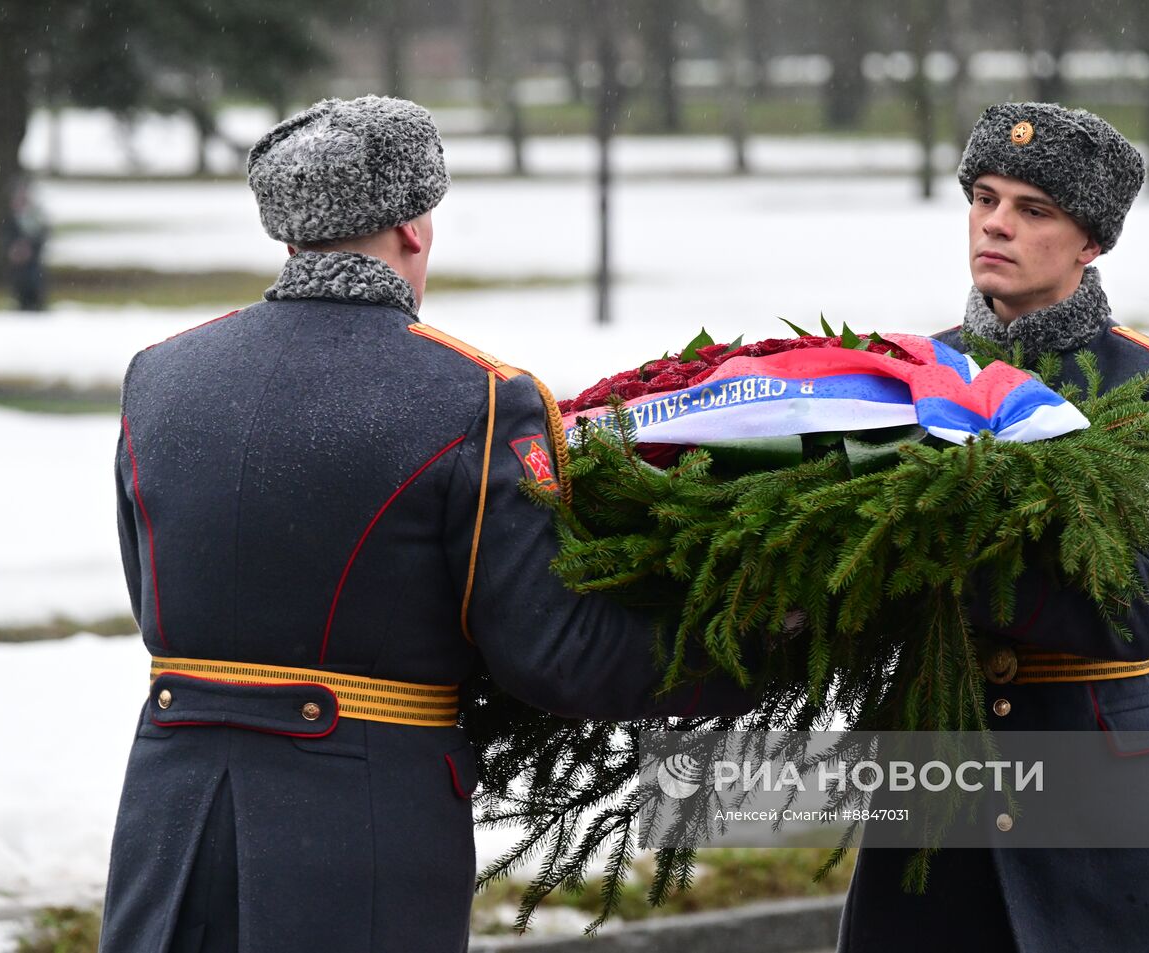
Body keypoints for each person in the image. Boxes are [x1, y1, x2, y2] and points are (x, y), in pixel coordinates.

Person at [98, 95, 747, 953]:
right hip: (357, 837)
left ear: (289, 232)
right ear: (414, 226)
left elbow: (159, 604)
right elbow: (550, 653)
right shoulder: (473, 396)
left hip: (168, 829)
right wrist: (748, 643)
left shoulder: (161, 377)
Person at [837, 103, 1149, 952]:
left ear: (1090, 242)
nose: (996, 225)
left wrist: (945, 555)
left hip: (1092, 799)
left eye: (1033, 209)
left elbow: (1141, 603)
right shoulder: (903, 376)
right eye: (984, 197)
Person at [2, 179, 49, 312]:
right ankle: (22, 302)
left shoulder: (35, 216)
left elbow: (41, 234)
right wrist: (14, 248)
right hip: (19, 260)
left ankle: (36, 302)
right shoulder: (11, 217)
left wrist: (30, 248)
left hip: (32, 258)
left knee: (33, 279)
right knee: (20, 280)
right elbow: (7, 235)